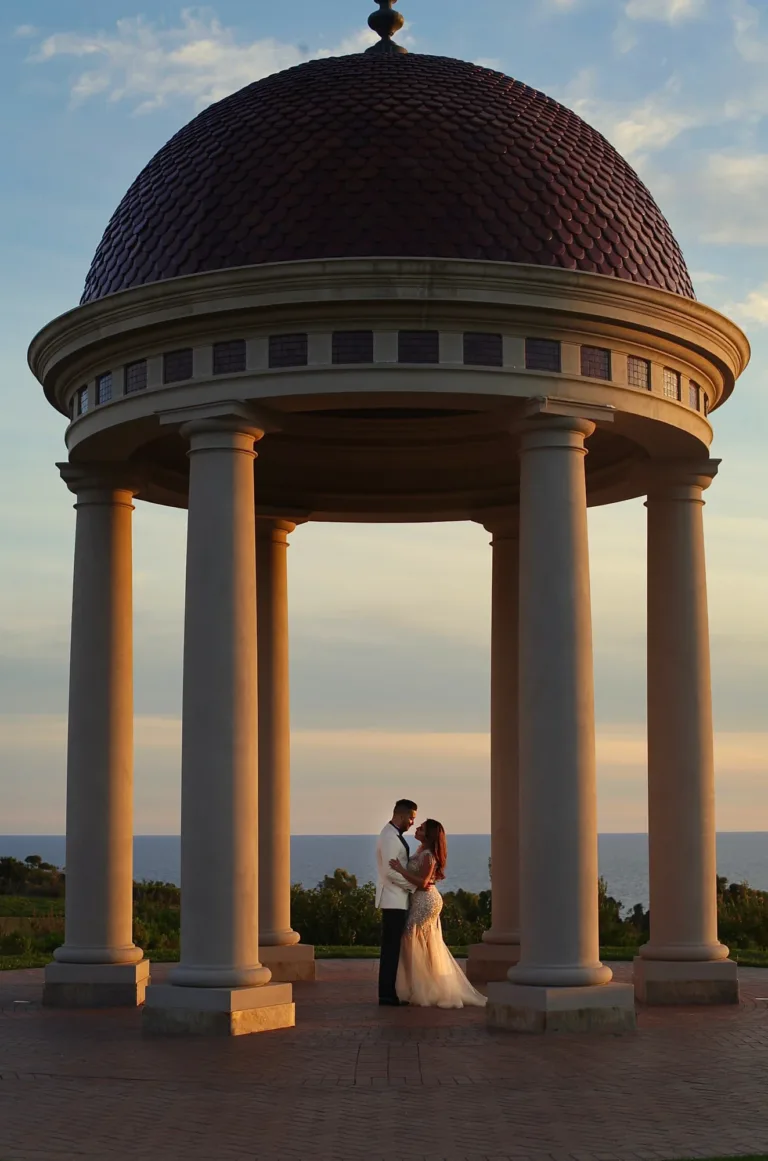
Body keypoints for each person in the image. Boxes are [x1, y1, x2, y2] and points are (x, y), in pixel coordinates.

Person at [389, 819, 487, 1009]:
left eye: (422, 828)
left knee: (410, 936)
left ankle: (424, 987)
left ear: (429, 835)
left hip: (427, 900)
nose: (417, 829)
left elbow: (423, 883)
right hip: (420, 900)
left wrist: (400, 870)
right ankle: (424, 985)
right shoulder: (419, 851)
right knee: (421, 941)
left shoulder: (428, 855)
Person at [375, 799, 418, 1006]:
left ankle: (389, 992)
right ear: (400, 816)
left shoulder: (390, 834)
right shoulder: (390, 837)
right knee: (391, 949)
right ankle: (386, 994)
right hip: (393, 899)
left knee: (392, 948)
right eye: (411, 818)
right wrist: (413, 886)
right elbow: (389, 871)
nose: (412, 823)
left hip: (396, 898)